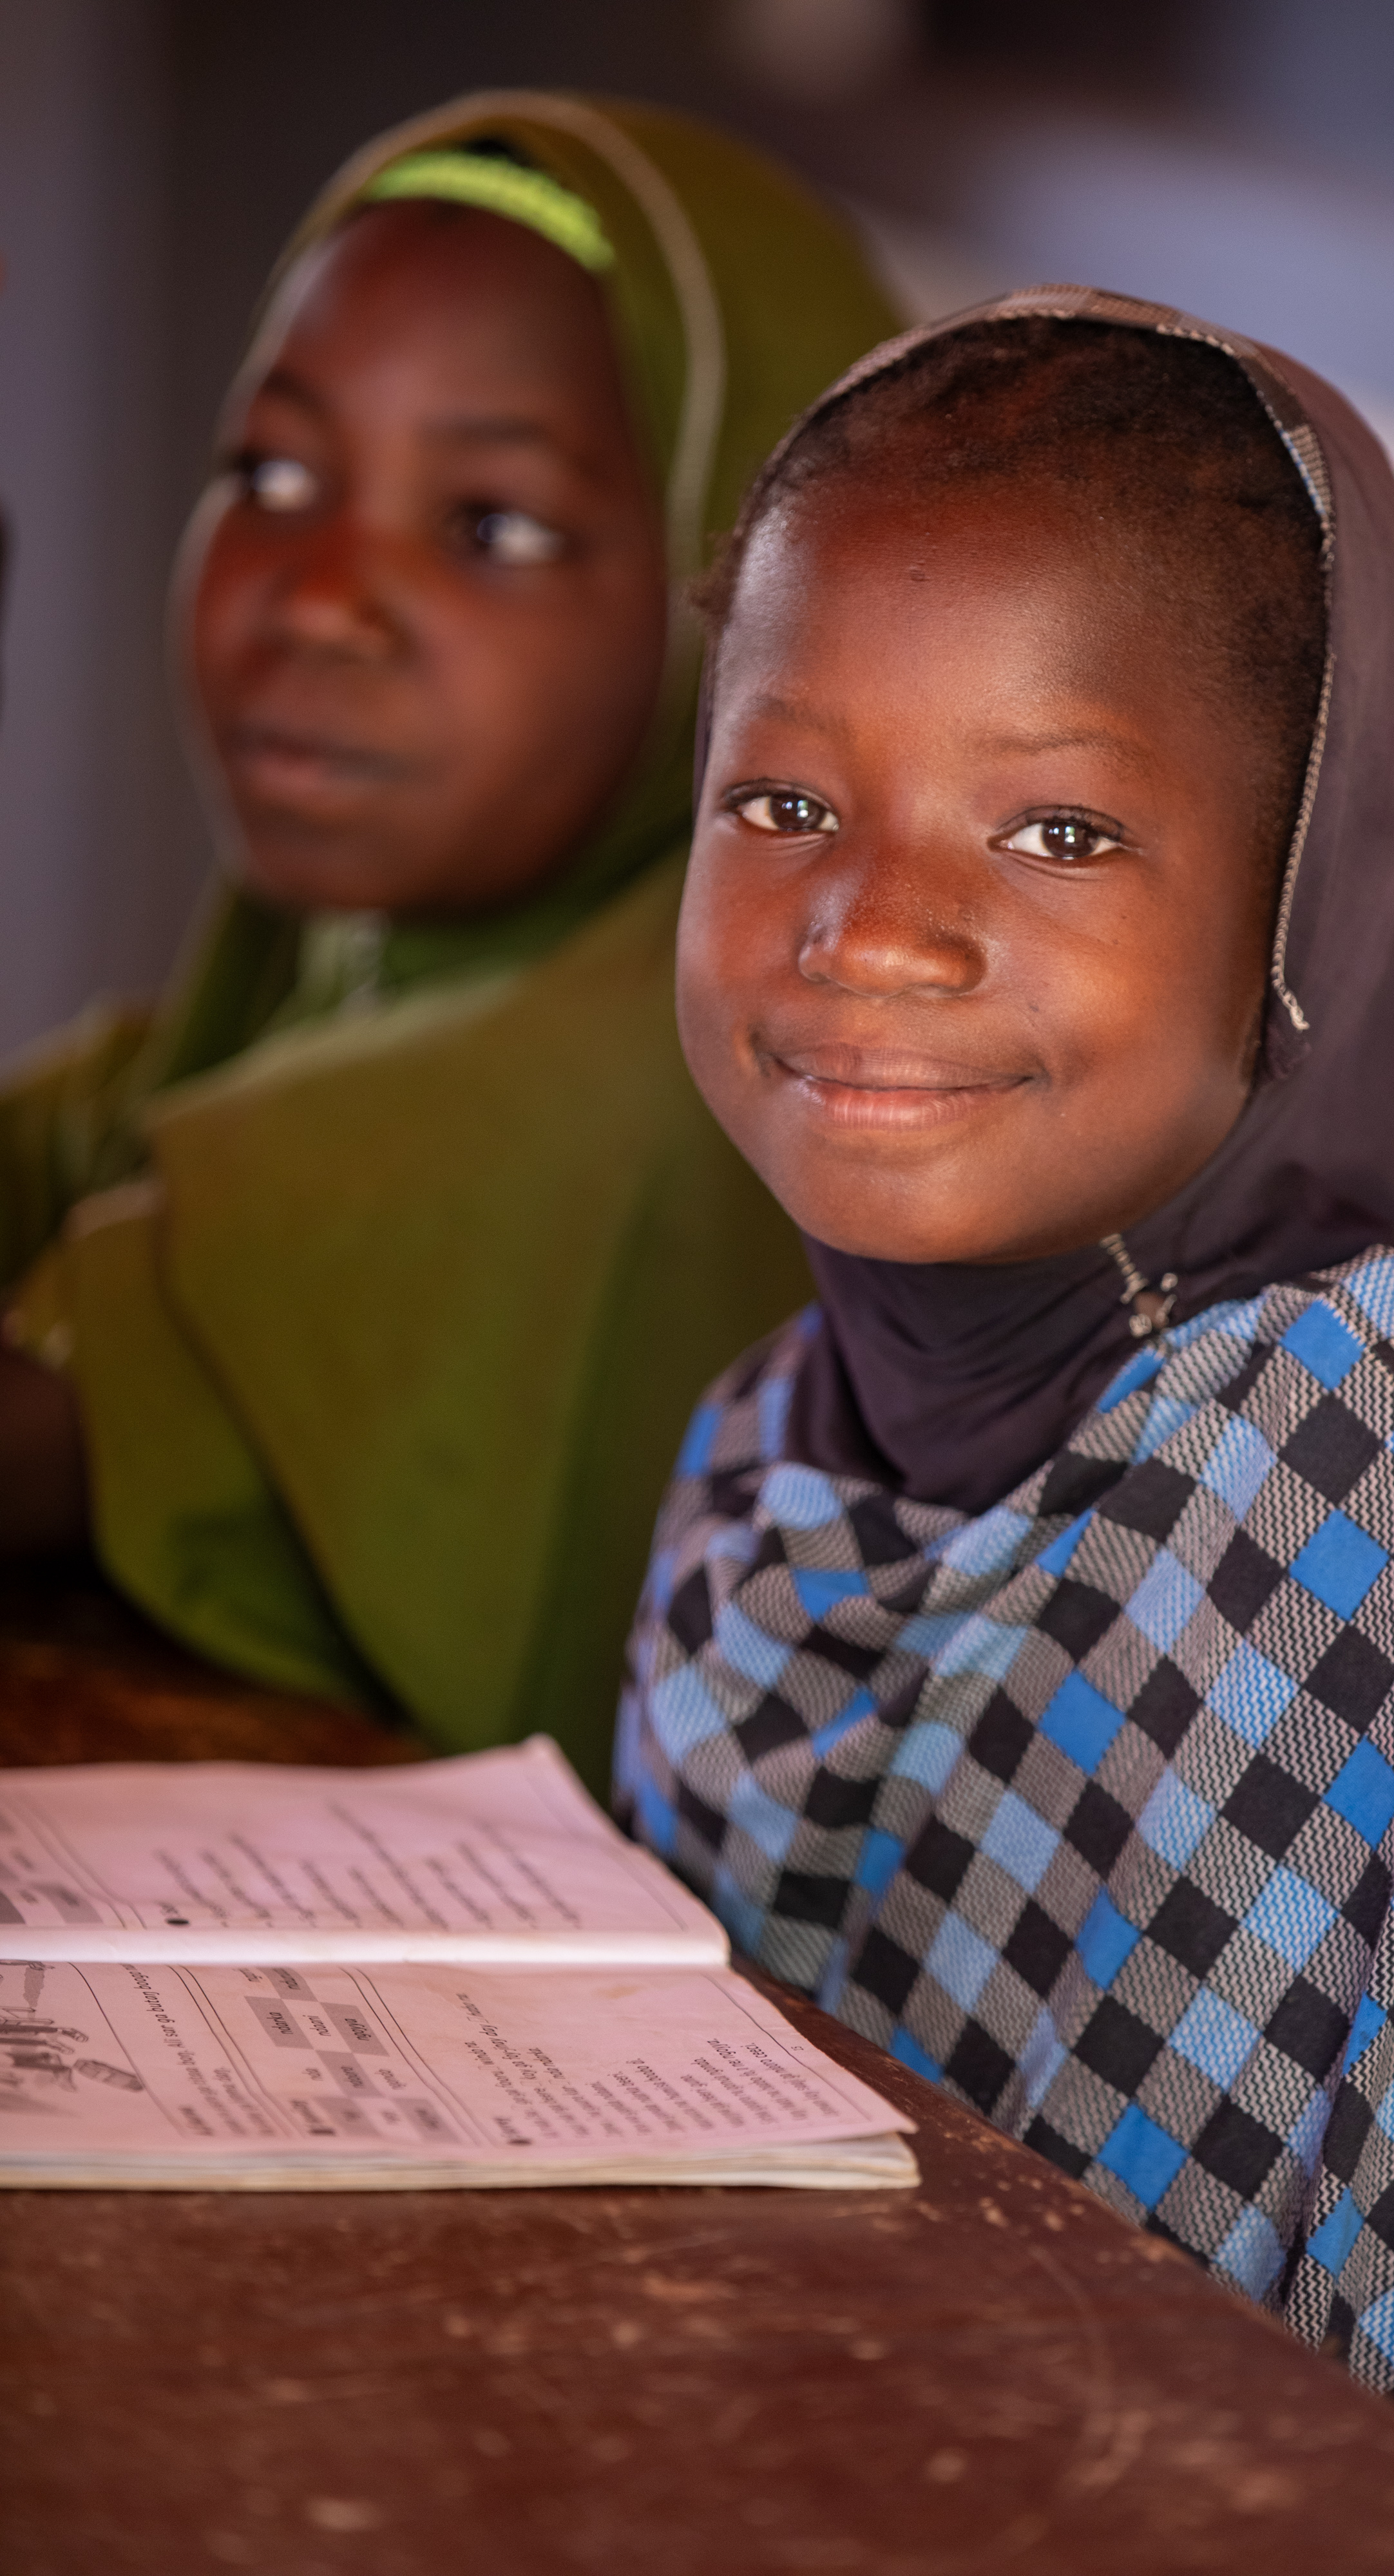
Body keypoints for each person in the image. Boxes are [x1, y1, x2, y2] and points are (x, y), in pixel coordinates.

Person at [617, 292, 1394, 2566]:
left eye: (1055, 829)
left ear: (1307, 907)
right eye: (785, 802)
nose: (871, 928)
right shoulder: (763, 1462)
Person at [0, 93, 899, 1786]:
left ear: (757, 616)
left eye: (492, 527)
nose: (319, 598)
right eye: (272, 475)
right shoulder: (323, 993)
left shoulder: (612, 1099)